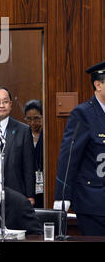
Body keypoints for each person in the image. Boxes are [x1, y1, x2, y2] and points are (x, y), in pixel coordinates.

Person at [54, 61, 105, 235]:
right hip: (94, 203)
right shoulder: (83, 114)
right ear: (98, 85)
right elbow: (68, 157)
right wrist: (62, 197)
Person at [0, 84, 35, 205]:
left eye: (5, 102)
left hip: (16, 192)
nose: (2, 105)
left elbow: (28, 166)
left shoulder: (23, 130)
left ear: (11, 104)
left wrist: (30, 195)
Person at [24, 99, 44, 208]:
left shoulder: (47, 135)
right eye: (29, 119)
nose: (32, 122)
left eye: (36, 118)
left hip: (44, 183)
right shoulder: (22, 135)